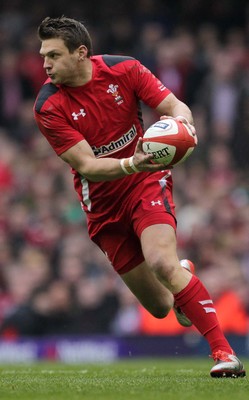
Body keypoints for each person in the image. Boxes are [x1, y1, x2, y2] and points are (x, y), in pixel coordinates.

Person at [33, 16, 245, 378]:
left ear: (81, 53)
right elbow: (87, 164)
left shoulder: (125, 69)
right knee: (161, 306)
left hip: (146, 181)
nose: (45, 64)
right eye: (43, 55)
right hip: (103, 206)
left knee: (162, 262)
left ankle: (224, 354)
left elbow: (176, 107)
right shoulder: (48, 105)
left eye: (53, 54)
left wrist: (184, 128)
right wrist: (133, 161)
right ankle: (184, 275)